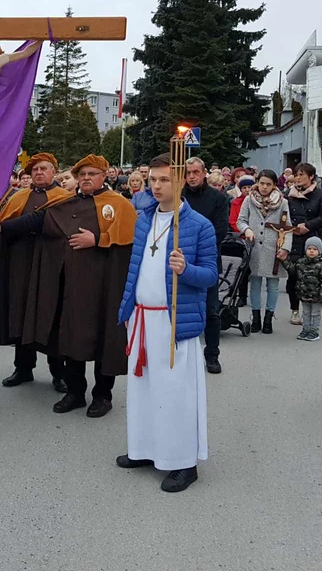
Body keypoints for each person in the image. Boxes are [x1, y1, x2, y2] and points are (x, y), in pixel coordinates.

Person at [0, 155, 136, 417]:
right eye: (83, 175)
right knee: (70, 338)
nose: (87, 178)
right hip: (71, 288)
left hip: (104, 289)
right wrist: (0, 226)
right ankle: (75, 392)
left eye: (92, 174)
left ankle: (102, 395)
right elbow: (35, 221)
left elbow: (131, 239)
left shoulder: (119, 205)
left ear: (104, 176)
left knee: (104, 339)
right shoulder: (65, 202)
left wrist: (98, 238)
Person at [115, 153, 217, 493]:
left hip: (175, 322)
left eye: (163, 180)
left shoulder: (199, 226)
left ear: (179, 181)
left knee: (174, 393)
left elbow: (211, 276)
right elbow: (135, 268)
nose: (156, 186)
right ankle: (145, 449)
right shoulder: (144, 219)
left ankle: (182, 463)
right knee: (144, 389)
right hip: (142, 317)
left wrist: (186, 270)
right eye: (152, 180)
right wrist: (127, 307)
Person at [0, 152, 73, 390]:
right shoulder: (19, 197)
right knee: (22, 313)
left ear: (53, 172)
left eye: (44, 169)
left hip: (52, 266)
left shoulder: (64, 198)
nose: (38, 173)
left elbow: (50, 225)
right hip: (22, 265)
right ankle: (23, 368)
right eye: (34, 169)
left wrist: (4, 228)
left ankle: (59, 373)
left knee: (52, 315)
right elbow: (6, 228)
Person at [181, 156, 229, 374]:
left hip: (207, 260)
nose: (191, 177)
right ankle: (180, 354)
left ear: (204, 173)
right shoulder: (178, 195)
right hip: (179, 260)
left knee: (211, 310)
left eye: (195, 172)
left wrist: (194, 248)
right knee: (179, 308)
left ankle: (212, 355)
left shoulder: (218, 198)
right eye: (188, 173)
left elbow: (220, 230)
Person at [237, 170, 290, 334]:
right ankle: (256, 317)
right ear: (257, 183)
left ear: (274, 185)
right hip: (254, 248)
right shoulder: (249, 200)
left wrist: (285, 248)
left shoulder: (282, 202)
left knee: (273, 285)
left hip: (273, 248)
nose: (264, 187)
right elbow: (241, 220)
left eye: (268, 184)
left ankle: (268, 318)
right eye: (262, 183)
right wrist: (246, 230)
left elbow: (287, 227)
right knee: (255, 284)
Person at [283, 162, 322, 325]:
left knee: (312, 276)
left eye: (301, 175)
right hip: (293, 237)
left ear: (311, 176)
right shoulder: (288, 194)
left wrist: (308, 226)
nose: (298, 178)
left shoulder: (321, 194)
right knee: (294, 274)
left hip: (312, 238)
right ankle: (294, 310)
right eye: (296, 175)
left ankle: (310, 310)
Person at [281, 236, 322, 342]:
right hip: (304, 294)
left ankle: (314, 331)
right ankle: (306, 329)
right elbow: (292, 270)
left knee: (315, 313)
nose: (311, 251)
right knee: (306, 313)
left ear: (320, 250)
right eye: (309, 249)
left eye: (314, 249)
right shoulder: (301, 262)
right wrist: (284, 261)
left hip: (317, 296)